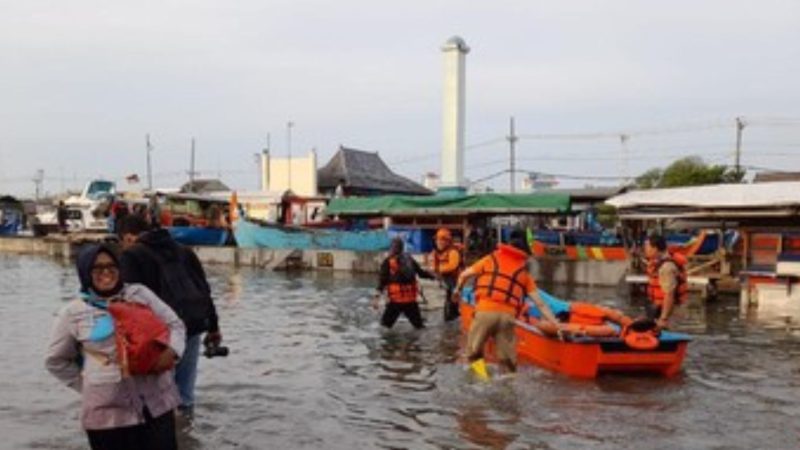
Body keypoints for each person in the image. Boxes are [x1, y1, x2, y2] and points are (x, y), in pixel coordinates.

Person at [45, 244, 185, 450]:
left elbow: (175, 325)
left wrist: (172, 352)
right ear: (85, 272)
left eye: (112, 266)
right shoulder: (72, 313)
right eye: (97, 268)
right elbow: (55, 360)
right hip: (107, 415)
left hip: (156, 403)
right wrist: (89, 387)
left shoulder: (140, 294)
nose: (106, 272)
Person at [117, 215, 222, 416]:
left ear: (128, 237)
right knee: (185, 395)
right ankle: (187, 437)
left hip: (157, 336)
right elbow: (204, 290)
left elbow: (129, 304)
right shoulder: (184, 251)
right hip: (192, 325)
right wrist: (214, 327)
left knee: (156, 395)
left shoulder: (131, 256)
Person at [453, 229, 561, 375]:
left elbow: (464, 275)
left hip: (484, 312)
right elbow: (540, 304)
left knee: (474, 353)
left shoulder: (490, 259)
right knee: (507, 361)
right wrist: (556, 325)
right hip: (507, 318)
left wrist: (457, 290)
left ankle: (482, 381)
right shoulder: (523, 274)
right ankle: (507, 386)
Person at [373, 237, 435, 329]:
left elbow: (382, 281)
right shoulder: (409, 259)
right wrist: (433, 276)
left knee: (384, 327)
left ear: (391, 248)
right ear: (402, 248)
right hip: (410, 301)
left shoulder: (388, 262)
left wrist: (376, 298)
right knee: (419, 327)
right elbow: (421, 273)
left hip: (396, 302)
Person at [644, 234, 688, 330]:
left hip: (670, 314)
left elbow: (669, 294)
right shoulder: (659, 262)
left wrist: (663, 319)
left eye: (647, 247)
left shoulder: (666, 267)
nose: (645, 250)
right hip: (660, 310)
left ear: (655, 248)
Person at [429, 228, 463, 322]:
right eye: (438, 240)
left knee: (451, 303)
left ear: (447, 241)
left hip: (455, 281)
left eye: (441, 240)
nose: (439, 242)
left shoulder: (453, 252)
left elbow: (453, 266)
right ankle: (452, 319)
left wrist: (438, 269)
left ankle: (452, 319)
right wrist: (433, 269)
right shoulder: (436, 252)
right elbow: (432, 264)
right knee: (449, 302)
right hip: (447, 281)